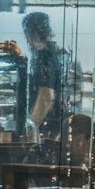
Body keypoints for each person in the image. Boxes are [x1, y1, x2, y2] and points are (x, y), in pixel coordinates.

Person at [21, 12, 64, 140]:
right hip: (50, 127)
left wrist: (31, 126)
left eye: (27, 33)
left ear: (32, 33)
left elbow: (47, 96)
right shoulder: (53, 53)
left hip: (46, 130)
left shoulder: (45, 56)